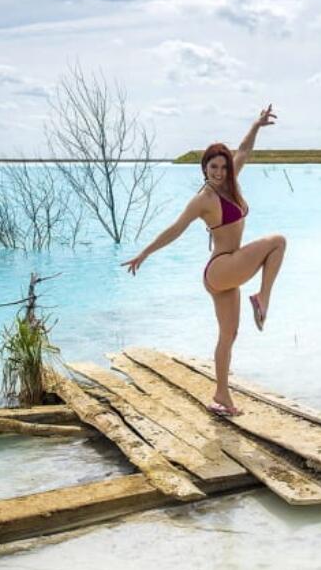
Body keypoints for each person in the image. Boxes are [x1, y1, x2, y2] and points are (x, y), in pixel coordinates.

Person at [121, 105, 286, 416]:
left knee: (229, 335)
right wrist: (144, 253)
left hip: (226, 273)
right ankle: (263, 296)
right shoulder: (204, 199)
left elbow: (245, 150)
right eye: (213, 167)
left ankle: (221, 396)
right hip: (222, 267)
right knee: (277, 242)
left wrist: (256, 125)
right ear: (204, 168)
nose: (220, 172)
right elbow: (176, 229)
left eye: (223, 167)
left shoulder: (230, 185)